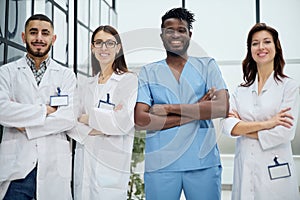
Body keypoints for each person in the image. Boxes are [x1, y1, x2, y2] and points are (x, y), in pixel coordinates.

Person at [134, 7, 229, 200]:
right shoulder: (148, 72)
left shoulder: (207, 65)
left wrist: (168, 109)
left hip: (202, 162)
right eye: (169, 30)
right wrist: (198, 110)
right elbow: (141, 120)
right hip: (161, 165)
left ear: (189, 34)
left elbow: (222, 107)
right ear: (161, 36)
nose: (175, 35)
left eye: (181, 30)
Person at [0, 14, 76, 200]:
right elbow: (2, 110)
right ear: (24, 36)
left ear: (53, 39)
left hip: (54, 168)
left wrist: (24, 125)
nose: (39, 38)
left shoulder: (66, 75)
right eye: (33, 33)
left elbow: (67, 118)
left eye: (45, 33)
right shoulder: (6, 72)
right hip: (17, 172)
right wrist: (45, 111)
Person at [221, 23, 300, 200]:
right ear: (250, 50)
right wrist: (268, 123)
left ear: (276, 47)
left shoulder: (289, 87)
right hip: (245, 166)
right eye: (255, 43)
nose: (261, 47)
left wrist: (243, 127)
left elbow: (285, 132)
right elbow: (227, 127)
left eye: (266, 42)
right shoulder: (240, 90)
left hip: (275, 167)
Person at [68, 25, 138, 200]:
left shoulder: (128, 81)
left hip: (111, 167)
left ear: (118, 48)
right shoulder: (85, 84)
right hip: (84, 165)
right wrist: (104, 122)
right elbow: (70, 122)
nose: (103, 48)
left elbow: (123, 123)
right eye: (98, 43)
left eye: (109, 43)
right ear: (92, 48)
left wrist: (87, 118)